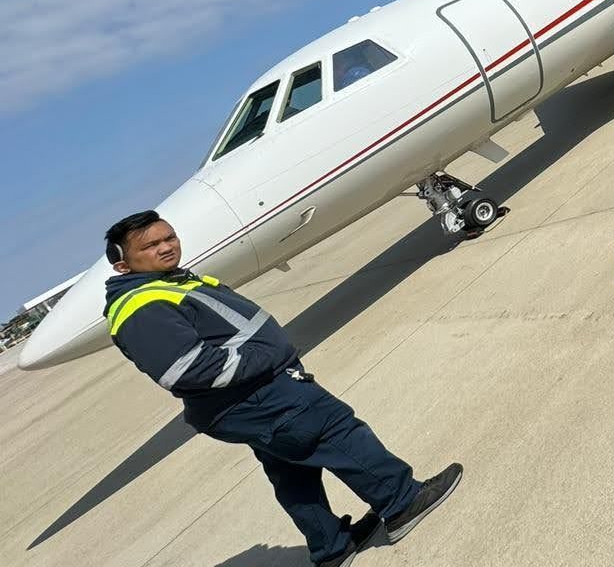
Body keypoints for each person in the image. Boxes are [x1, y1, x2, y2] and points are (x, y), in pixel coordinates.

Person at [102, 210, 461, 566]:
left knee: (291, 470)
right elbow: (186, 368)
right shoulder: (140, 305)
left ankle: (332, 547)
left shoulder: (164, 284)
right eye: (151, 245)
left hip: (245, 399)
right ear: (122, 263)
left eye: (169, 237)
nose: (166, 247)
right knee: (337, 432)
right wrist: (266, 357)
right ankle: (401, 502)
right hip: (257, 395)